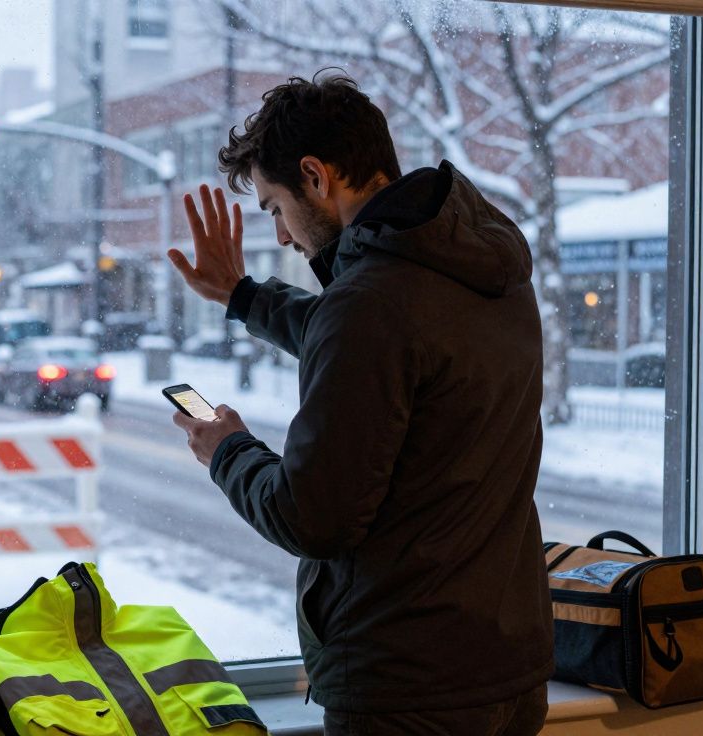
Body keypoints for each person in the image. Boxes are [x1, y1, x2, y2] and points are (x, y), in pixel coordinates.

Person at [168, 71, 553, 735]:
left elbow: (310, 517)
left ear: (316, 176)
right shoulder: (480, 267)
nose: (282, 236)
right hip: (508, 671)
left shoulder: (371, 304)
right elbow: (377, 345)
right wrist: (243, 296)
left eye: (274, 208)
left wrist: (227, 450)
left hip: (407, 689)